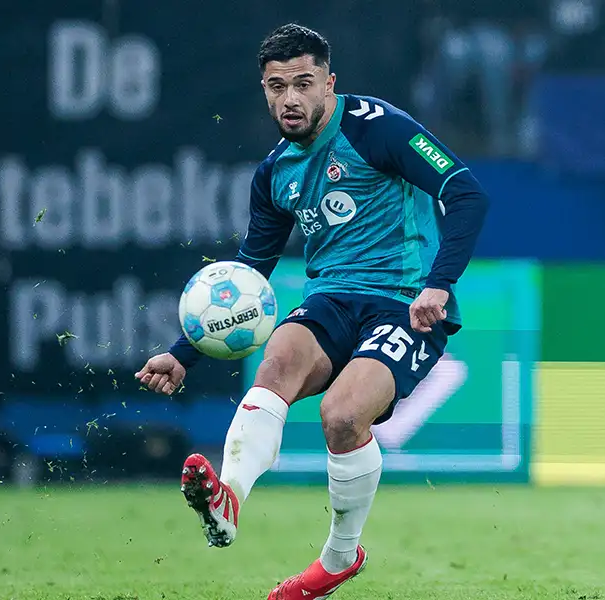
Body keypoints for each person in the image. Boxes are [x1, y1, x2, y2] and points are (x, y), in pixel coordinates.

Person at [135, 23, 489, 600]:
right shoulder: (275, 171)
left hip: (405, 306)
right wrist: (182, 355)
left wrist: (439, 284)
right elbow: (251, 272)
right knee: (277, 359)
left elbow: (466, 191)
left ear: (329, 83)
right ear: (265, 89)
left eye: (304, 84)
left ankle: (339, 558)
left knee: (343, 416)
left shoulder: (377, 128)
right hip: (332, 301)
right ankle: (227, 501)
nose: (291, 99)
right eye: (278, 86)